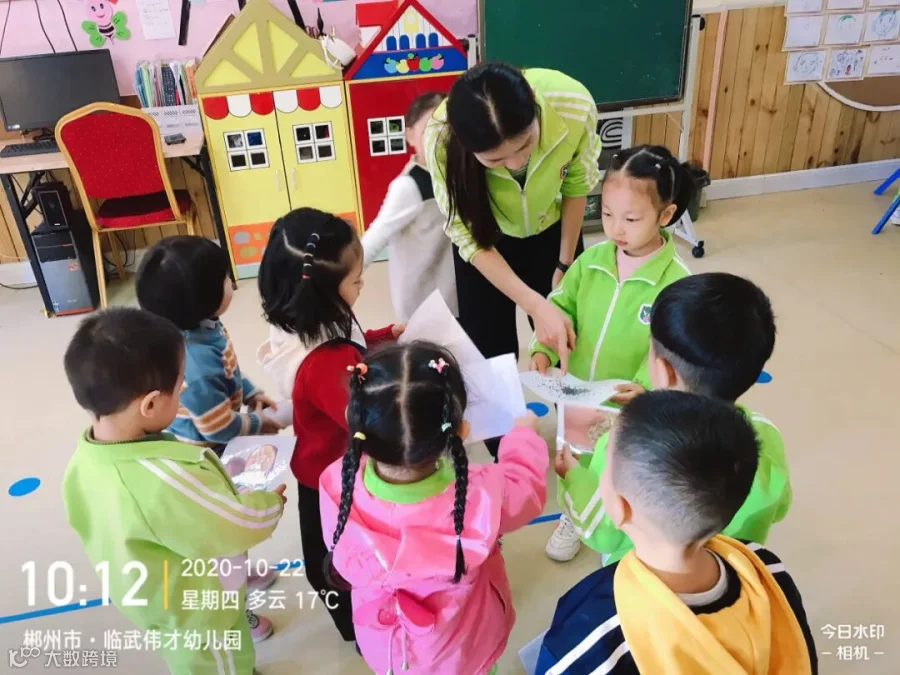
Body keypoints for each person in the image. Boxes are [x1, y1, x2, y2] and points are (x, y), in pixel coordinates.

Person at [62, 308, 286, 675]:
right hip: (201, 611)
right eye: (180, 383)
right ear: (150, 404)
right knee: (223, 663)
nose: (184, 389)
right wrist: (270, 505)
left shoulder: (84, 459)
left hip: (154, 597)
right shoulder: (162, 480)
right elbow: (235, 524)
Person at [537, 391, 817, 674]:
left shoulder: (594, 625)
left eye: (603, 458)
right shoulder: (767, 567)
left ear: (620, 508)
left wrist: (573, 478)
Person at [320, 342, 548, 674]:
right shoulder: (480, 494)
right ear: (462, 431)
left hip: (388, 648)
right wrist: (523, 436)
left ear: (352, 419)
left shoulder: (335, 484)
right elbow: (525, 488)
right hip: (464, 650)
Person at [531, 144, 696, 562]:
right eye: (606, 214)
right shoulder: (591, 262)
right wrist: (543, 347)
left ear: (665, 215)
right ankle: (574, 514)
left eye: (631, 219)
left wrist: (643, 387)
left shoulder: (676, 283)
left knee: (618, 464)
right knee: (574, 457)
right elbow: (560, 306)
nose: (616, 229)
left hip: (629, 404)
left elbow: (674, 348)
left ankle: (618, 522)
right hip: (577, 389)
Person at [555, 272, 791, 564]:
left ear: (663, 370)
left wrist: (572, 477)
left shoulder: (625, 441)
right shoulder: (766, 436)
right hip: (730, 568)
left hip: (643, 578)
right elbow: (780, 508)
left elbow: (602, 533)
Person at [256, 208, 400, 643]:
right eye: (356, 280)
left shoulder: (302, 318)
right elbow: (372, 423)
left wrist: (381, 337)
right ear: (324, 294)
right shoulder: (328, 363)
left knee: (328, 559)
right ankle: (360, 633)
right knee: (335, 567)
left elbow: (348, 346)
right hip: (335, 479)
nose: (362, 286)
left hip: (318, 467)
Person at [424, 62, 602, 372]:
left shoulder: (573, 104)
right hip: (485, 238)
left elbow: (576, 185)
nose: (516, 163)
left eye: (526, 144)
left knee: (569, 338)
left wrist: (564, 264)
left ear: (534, 103)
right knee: (491, 353)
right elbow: (466, 237)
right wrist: (534, 304)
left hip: (552, 228)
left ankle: (568, 405)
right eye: (495, 160)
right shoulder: (441, 138)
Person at [136, 236, 283, 452]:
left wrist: (249, 393)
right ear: (203, 298)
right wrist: (256, 423)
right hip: (208, 448)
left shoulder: (200, 323)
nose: (230, 281)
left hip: (217, 415)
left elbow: (227, 369)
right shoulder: (197, 365)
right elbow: (218, 429)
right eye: (225, 278)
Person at [361, 92, 457, 322]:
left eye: (449, 129)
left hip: (455, 293)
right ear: (410, 136)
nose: (441, 138)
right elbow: (375, 237)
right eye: (429, 130)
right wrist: (336, 279)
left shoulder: (455, 174)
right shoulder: (408, 186)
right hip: (424, 302)